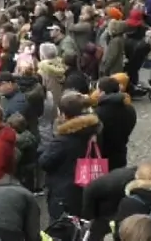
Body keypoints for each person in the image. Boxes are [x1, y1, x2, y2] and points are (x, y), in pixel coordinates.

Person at [39, 92, 101, 220]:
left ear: (63, 114)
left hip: (64, 191)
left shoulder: (63, 140)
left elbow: (45, 162)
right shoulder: (93, 130)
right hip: (87, 184)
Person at [81, 166, 139, 241]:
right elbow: (89, 189)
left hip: (115, 205)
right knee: (94, 231)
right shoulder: (117, 181)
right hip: (101, 210)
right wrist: (88, 217)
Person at [92, 77, 136, 170]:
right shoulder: (130, 109)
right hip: (120, 154)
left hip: (101, 157)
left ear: (102, 92)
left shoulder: (97, 113)